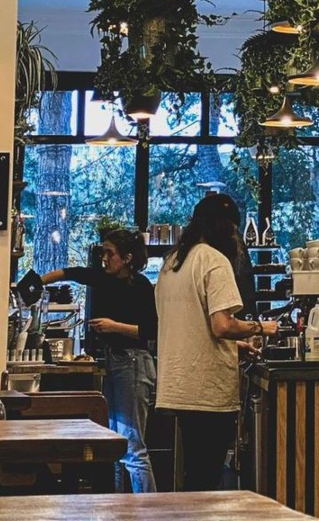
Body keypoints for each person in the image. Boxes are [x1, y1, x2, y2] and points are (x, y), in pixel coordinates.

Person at [155, 193, 278, 491]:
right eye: (234, 229)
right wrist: (261, 328)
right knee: (206, 481)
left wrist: (237, 347)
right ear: (225, 227)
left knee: (193, 478)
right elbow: (222, 325)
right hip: (207, 390)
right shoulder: (214, 260)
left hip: (179, 384)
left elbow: (190, 325)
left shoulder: (172, 263)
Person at [41, 228, 157, 493]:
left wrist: (113, 326)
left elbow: (150, 330)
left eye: (110, 253)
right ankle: (120, 509)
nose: (104, 258)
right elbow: (71, 273)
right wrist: (35, 282)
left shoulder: (141, 286)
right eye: (103, 252)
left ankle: (151, 510)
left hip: (134, 362)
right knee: (116, 444)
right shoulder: (104, 279)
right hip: (116, 363)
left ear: (127, 258)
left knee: (133, 446)